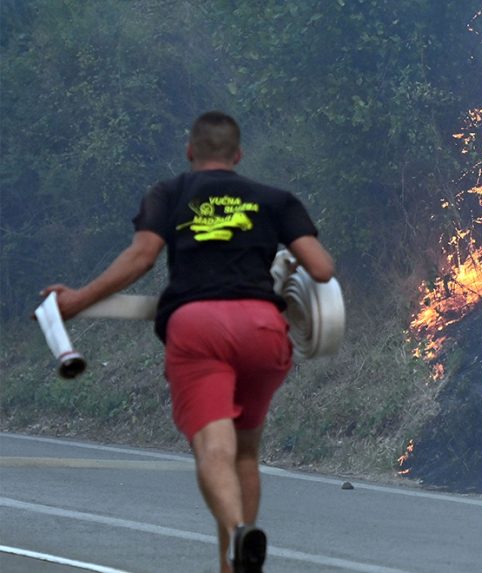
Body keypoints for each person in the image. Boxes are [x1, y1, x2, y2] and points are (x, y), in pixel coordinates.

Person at [42, 111, 335, 573]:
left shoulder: (170, 192)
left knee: (212, 449)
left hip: (198, 327)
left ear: (189, 151)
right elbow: (320, 270)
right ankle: (234, 561)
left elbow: (140, 258)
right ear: (238, 155)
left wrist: (77, 301)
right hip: (262, 330)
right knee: (244, 452)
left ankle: (240, 532)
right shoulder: (275, 199)